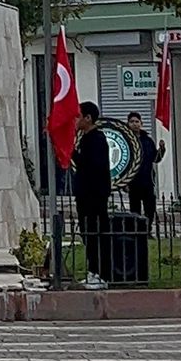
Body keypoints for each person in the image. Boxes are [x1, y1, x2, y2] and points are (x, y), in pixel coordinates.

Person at [72, 102, 111, 289]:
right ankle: (93, 271)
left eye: (78, 116)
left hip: (94, 195)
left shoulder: (97, 139)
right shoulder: (86, 139)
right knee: (87, 234)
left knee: (96, 234)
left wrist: (72, 152)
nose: (76, 120)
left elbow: (91, 166)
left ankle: (101, 274)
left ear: (88, 118)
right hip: (85, 194)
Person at [126, 111, 164, 226]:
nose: (134, 124)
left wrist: (162, 150)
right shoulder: (125, 141)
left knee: (150, 207)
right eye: (132, 122)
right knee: (135, 209)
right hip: (133, 181)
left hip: (147, 180)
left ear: (141, 123)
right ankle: (137, 229)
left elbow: (155, 159)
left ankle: (148, 228)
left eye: (137, 121)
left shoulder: (147, 140)